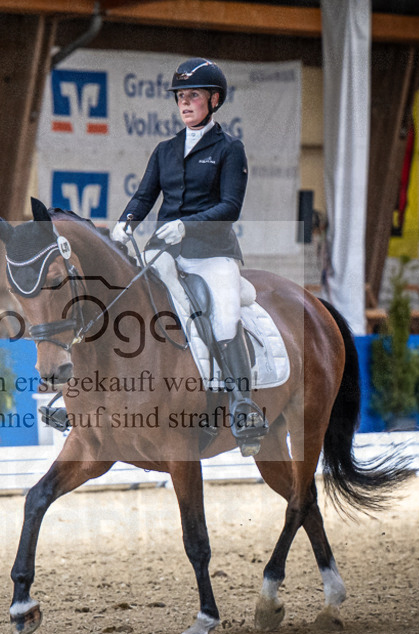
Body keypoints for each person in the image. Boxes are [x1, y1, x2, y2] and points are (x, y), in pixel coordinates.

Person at [111, 57, 267, 452]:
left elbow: (230, 205)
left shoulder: (230, 149)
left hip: (213, 254)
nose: (184, 103)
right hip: (165, 254)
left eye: (192, 96)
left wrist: (188, 225)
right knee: (121, 301)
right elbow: (145, 195)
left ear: (214, 100)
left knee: (226, 317)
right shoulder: (165, 150)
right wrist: (126, 221)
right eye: (180, 97)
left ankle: (243, 406)